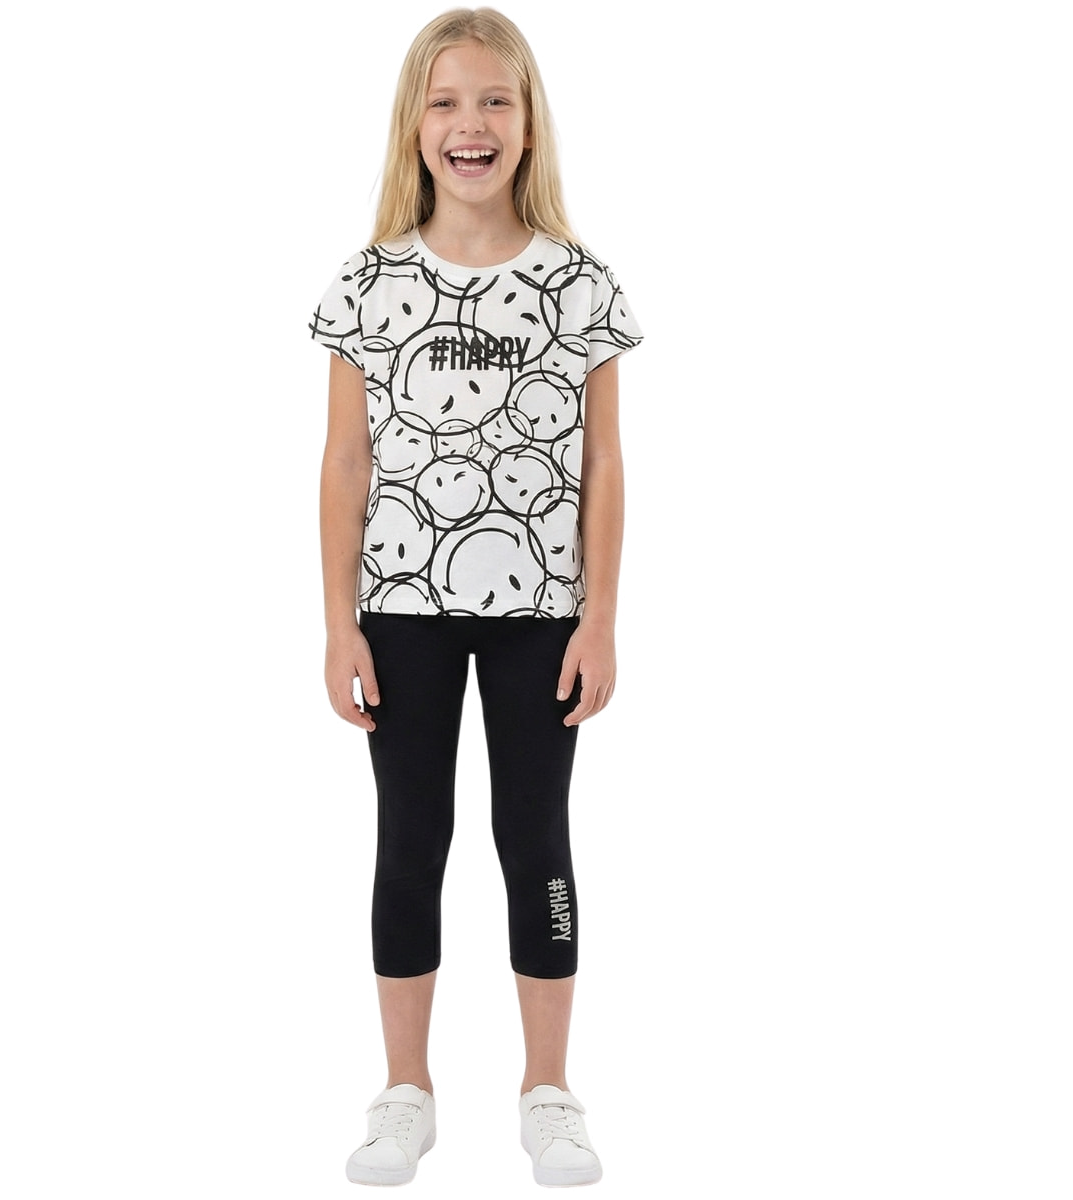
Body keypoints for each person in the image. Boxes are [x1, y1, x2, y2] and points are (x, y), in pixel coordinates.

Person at [310, 7, 642, 1187]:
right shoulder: (368, 283)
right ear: (415, 126)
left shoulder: (578, 282)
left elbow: (605, 462)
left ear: (528, 123)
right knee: (411, 838)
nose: (472, 124)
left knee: (533, 835)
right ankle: (406, 1091)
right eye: (447, 102)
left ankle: (549, 1090)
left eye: (496, 100)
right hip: (400, 607)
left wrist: (600, 618)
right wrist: (339, 622)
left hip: (542, 613)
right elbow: (345, 462)